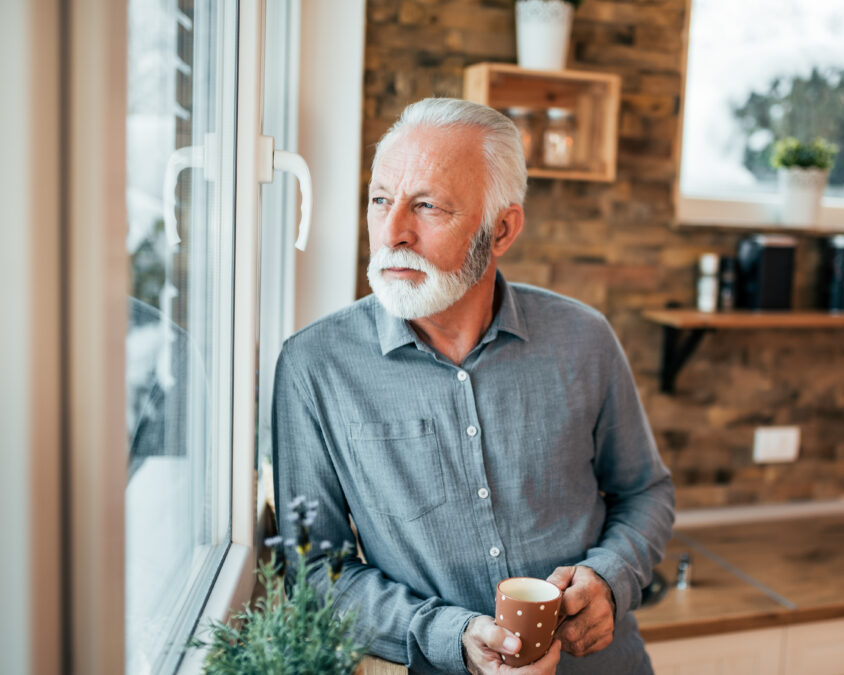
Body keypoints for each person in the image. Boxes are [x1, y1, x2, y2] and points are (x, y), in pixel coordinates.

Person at [272, 97, 674, 675]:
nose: (393, 233)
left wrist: (610, 578)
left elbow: (645, 492)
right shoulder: (314, 366)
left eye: (427, 206)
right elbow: (314, 572)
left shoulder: (584, 338)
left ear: (502, 229)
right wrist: (448, 635)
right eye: (380, 200)